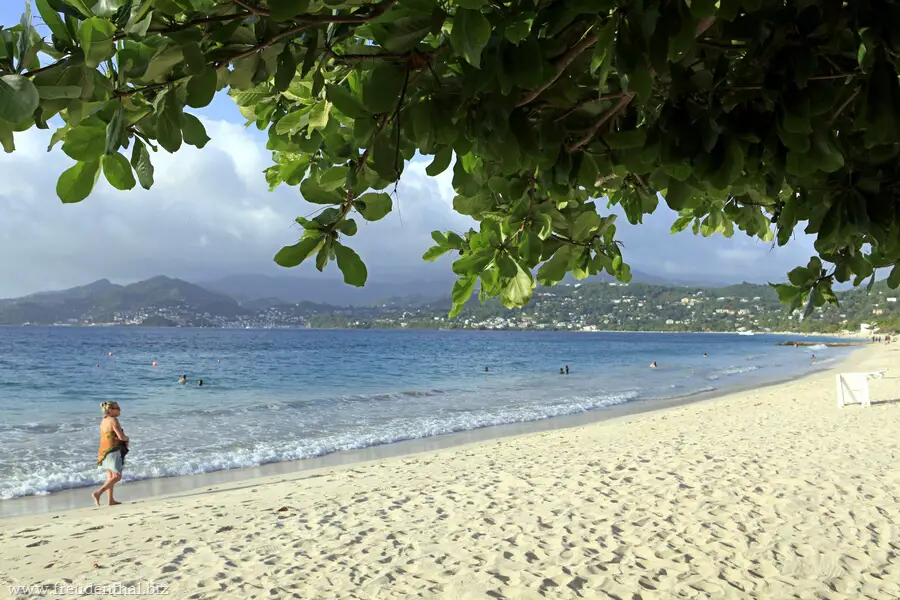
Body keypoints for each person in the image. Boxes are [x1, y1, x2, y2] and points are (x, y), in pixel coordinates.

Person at [92, 402, 128, 507]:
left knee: (110, 476)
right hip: (113, 450)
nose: (120, 410)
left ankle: (111, 500)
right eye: (117, 408)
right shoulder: (113, 421)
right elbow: (121, 437)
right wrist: (127, 438)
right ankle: (98, 493)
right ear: (110, 410)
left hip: (103, 451)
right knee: (117, 476)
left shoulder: (104, 420)